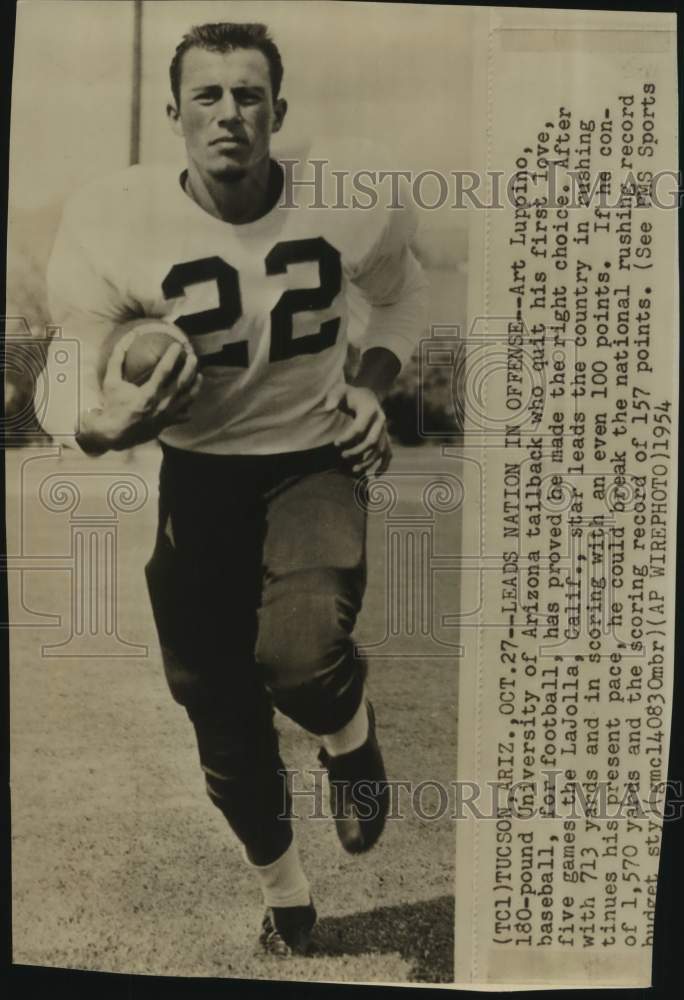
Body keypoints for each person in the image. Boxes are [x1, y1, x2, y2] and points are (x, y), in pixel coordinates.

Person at [43, 21, 428, 957]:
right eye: (207, 96)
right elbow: (72, 357)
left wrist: (371, 384)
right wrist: (96, 426)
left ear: (278, 113)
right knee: (211, 697)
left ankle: (350, 739)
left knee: (301, 658)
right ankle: (287, 894)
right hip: (200, 476)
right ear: (174, 115)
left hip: (312, 458)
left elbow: (407, 295)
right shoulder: (113, 218)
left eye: (248, 95)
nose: (229, 114)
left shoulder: (346, 198)